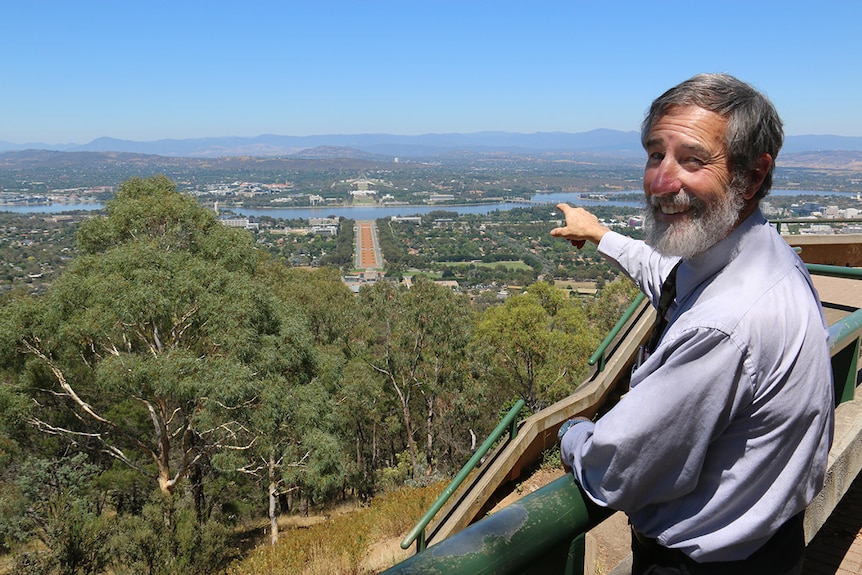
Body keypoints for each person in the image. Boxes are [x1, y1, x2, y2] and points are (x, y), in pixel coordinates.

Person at [550, 73, 834, 575]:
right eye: (655, 154)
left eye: (693, 159)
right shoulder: (759, 255)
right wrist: (600, 235)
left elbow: (614, 469)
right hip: (771, 546)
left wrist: (570, 432)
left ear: (752, 174)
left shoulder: (725, 324)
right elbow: (670, 275)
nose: (661, 180)